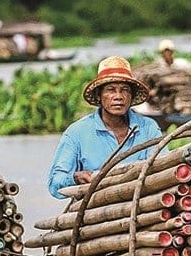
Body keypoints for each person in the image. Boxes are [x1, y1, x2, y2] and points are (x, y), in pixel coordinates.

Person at [47, 56, 165, 199]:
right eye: (111, 90)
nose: (118, 96)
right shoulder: (77, 132)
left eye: (124, 90)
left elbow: (163, 167)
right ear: (99, 95)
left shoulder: (148, 127)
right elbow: (55, 184)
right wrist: (75, 178)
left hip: (141, 205)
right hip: (95, 211)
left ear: (131, 96)